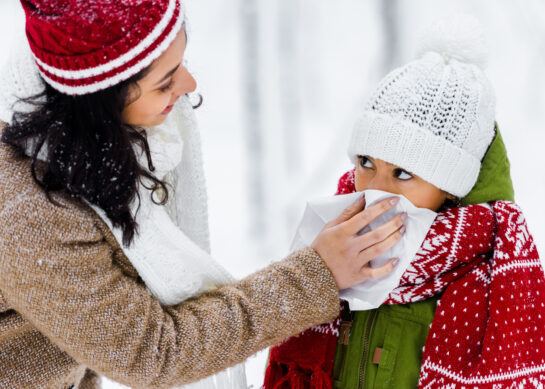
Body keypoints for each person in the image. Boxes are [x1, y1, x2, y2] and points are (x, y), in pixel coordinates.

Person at [0, 1, 409, 388]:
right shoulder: (33, 215)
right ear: (99, 103)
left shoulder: (67, 132)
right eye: (165, 82)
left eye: (182, 62)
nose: (189, 84)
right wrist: (315, 275)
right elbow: (153, 351)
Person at [263, 16, 545, 388]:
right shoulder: (330, 247)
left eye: (403, 173)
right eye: (366, 163)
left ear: (450, 187)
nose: (376, 190)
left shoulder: (494, 285)